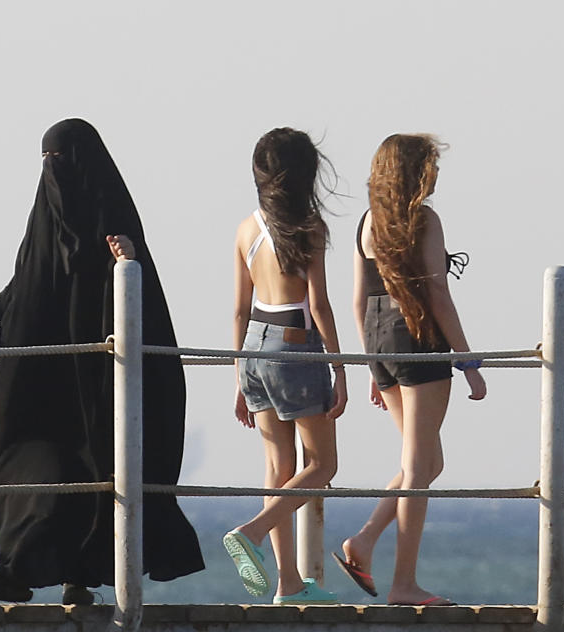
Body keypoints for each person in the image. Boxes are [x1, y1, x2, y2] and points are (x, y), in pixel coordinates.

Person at [0, 118, 204, 604]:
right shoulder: (42, 226)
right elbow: (26, 282)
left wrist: (128, 263)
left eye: (61, 159)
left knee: (98, 473)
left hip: (98, 391)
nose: (52, 170)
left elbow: (143, 304)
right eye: (45, 161)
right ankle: (13, 572)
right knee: (27, 467)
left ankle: (80, 578)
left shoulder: (116, 228)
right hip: (41, 389)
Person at [335, 134, 486, 606]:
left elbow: (359, 299)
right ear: (415, 172)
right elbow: (438, 295)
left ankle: (363, 540)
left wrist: (371, 365)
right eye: (431, 166)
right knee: (420, 468)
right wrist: (469, 363)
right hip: (418, 337)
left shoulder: (366, 223)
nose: (436, 174)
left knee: (424, 461)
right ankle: (403, 583)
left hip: (380, 337)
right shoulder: (423, 220)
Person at [223, 127, 347, 605]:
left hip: (254, 344)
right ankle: (251, 532)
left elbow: (238, 308)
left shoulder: (245, 228)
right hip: (294, 343)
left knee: (279, 466)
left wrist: (238, 375)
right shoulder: (309, 227)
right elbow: (319, 304)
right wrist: (340, 367)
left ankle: (289, 584)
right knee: (322, 463)